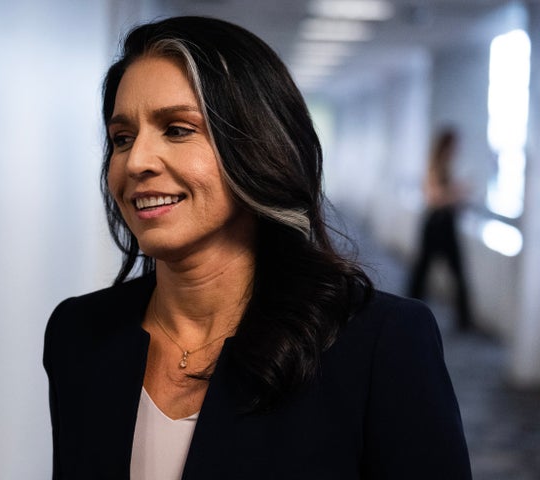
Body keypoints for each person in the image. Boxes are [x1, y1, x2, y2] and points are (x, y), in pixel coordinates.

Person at [43, 16, 471, 479]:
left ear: (258, 148)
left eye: (178, 129)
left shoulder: (379, 344)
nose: (137, 162)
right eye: (122, 138)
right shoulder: (78, 334)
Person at [407, 127, 473, 330]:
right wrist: (458, 193)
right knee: (421, 271)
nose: (456, 150)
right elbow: (435, 198)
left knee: (456, 273)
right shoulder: (435, 167)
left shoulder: (445, 167)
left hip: (445, 223)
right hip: (436, 224)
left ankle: (464, 320)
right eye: (454, 145)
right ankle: (409, 311)